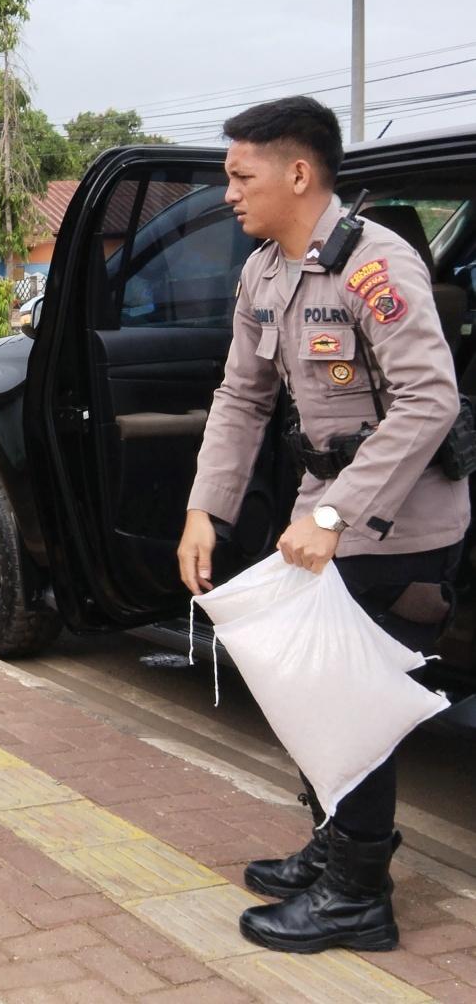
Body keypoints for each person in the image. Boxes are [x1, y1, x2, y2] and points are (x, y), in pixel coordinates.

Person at [178, 96, 466, 954]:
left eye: (241, 175)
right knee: (309, 691)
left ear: (298, 173)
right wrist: (205, 508)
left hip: (399, 522)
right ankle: (336, 845)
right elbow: (241, 397)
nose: (228, 194)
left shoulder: (376, 266)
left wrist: (337, 513)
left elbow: (430, 400)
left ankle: (357, 894)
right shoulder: (264, 273)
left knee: (345, 702)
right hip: (326, 515)